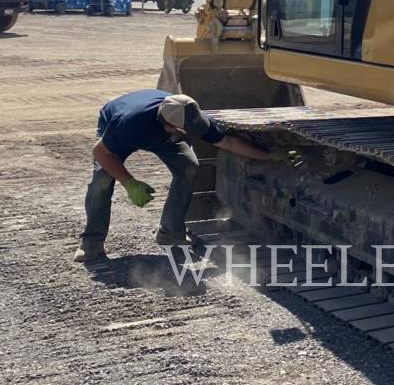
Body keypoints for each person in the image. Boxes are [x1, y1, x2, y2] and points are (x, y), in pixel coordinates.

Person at [74, 90, 273, 263]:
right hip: (118, 124)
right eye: (180, 130)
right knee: (102, 180)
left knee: (189, 167)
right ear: (166, 124)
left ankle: (170, 232)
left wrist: (270, 157)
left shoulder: (191, 114)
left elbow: (228, 142)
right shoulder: (129, 123)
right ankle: (92, 240)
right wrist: (130, 183)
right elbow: (101, 153)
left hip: (160, 132)